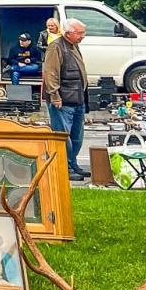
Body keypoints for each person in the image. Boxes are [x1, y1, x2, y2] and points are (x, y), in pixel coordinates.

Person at [42, 17, 89, 181]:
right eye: (80, 33)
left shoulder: (74, 45)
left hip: (77, 98)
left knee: (77, 136)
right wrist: (55, 95)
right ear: (68, 33)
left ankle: (72, 163)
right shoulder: (56, 47)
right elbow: (51, 73)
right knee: (63, 136)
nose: (83, 36)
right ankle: (64, 167)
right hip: (63, 99)